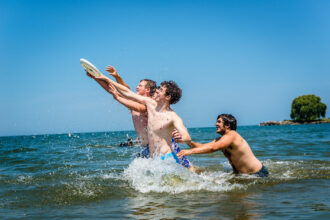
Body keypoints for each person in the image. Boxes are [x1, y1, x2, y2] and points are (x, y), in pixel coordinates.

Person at [97, 75, 196, 172]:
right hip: (154, 158)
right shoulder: (150, 104)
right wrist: (105, 78)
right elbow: (127, 92)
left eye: (160, 90)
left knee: (180, 177)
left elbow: (187, 136)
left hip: (166, 158)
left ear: (168, 97)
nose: (157, 90)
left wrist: (183, 138)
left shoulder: (173, 116)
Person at [86, 66, 156, 158]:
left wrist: (117, 94)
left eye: (140, 86)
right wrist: (95, 76)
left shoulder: (151, 104)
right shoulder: (134, 102)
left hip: (154, 147)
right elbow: (113, 89)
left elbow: (125, 91)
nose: (136, 87)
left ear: (147, 90)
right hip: (143, 148)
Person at [175, 114, 268, 177]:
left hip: (257, 174)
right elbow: (202, 146)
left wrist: (189, 151)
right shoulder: (221, 139)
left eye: (219, 122)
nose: (216, 124)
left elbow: (214, 148)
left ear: (227, 126)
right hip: (243, 175)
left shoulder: (232, 135)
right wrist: (187, 142)